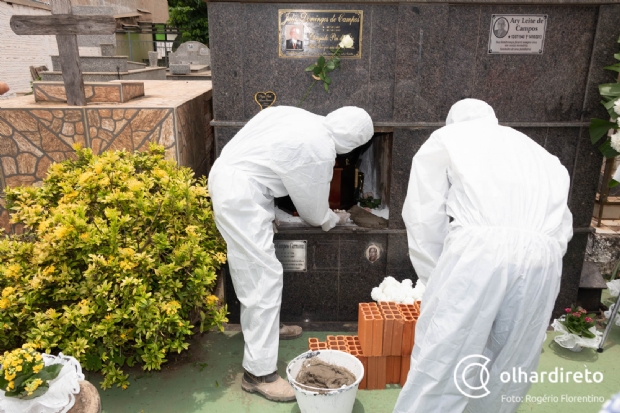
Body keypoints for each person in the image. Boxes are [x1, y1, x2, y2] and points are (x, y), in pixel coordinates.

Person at [394, 99, 573, 413]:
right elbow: (563, 228)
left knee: (444, 356)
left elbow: (424, 216)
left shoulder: (450, 138)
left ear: (454, 121)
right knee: (511, 360)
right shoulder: (542, 154)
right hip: (542, 261)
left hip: (478, 252)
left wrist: (435, 276)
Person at [208, 105, 373, 402]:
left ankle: (268, 331)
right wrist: (334, 218)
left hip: (236, 183)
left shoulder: (299, 116)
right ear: (353, 142)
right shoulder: (319, 147)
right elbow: (313, 211)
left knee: (256, 274)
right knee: (262, 280)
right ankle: (258, 374)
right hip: (241, 195)